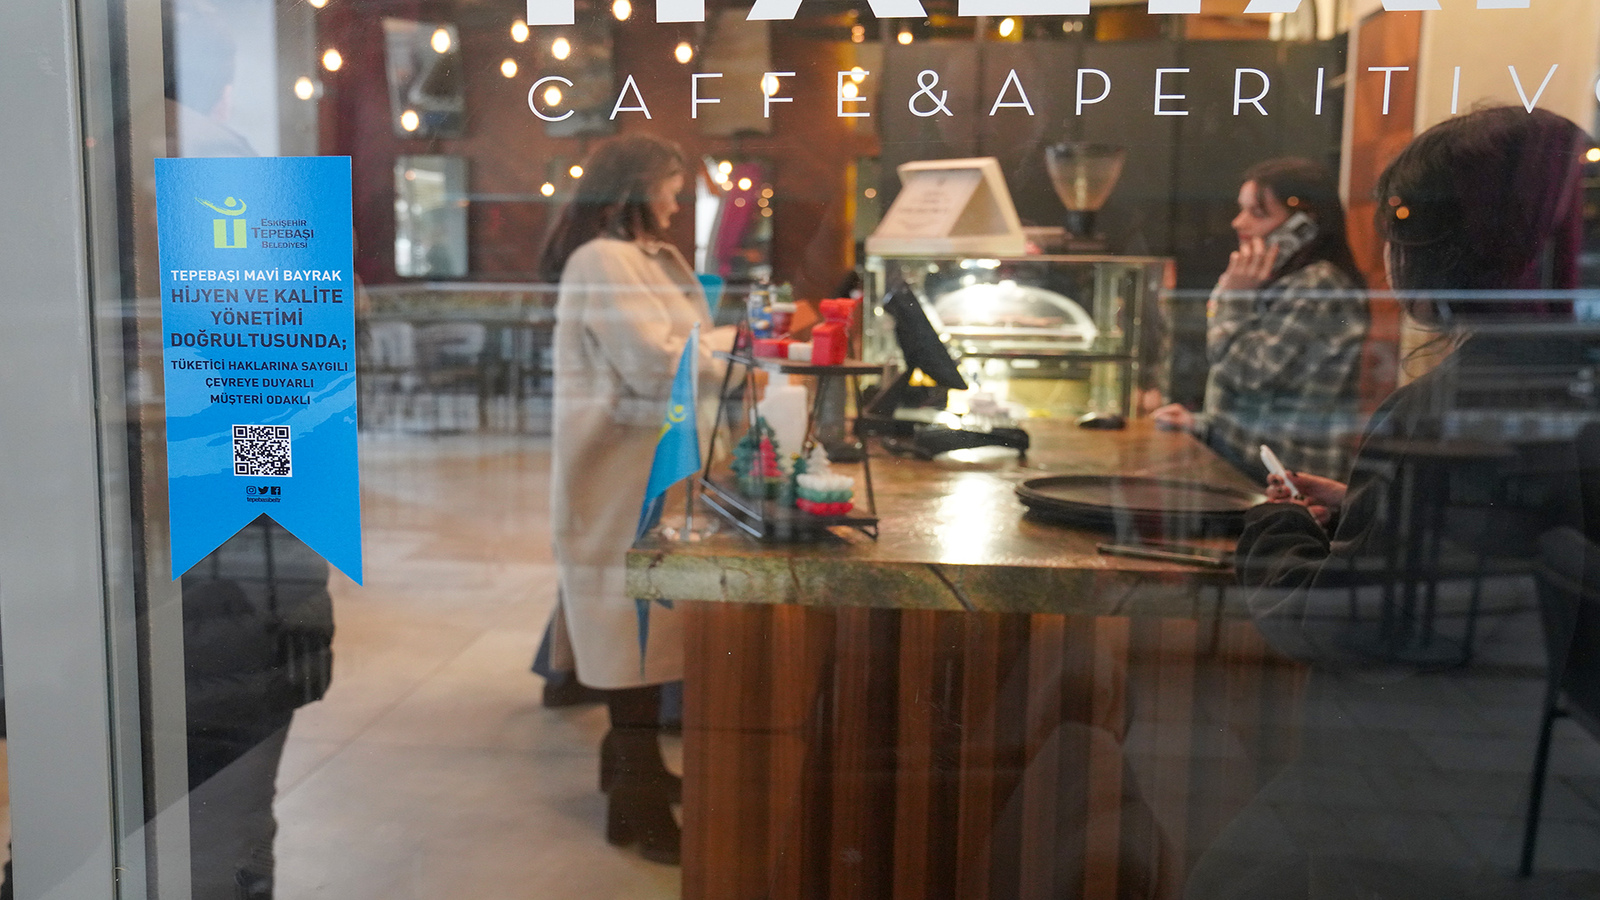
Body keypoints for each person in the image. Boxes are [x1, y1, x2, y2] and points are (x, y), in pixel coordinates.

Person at [1186, 108, 1594, 899]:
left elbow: (1349, 622)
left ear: (1433, 248)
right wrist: (1368, 509)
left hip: (1429, 796)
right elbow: (1500, 547)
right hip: (1540, 783)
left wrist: (1274, 527)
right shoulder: (1563, 378)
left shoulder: (1451, 409)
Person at [537, 133, 730, 865]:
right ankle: (636, 801)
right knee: (631, 633)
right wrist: (733, 351)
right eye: (672, 183)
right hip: (617, 476)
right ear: (640, 184)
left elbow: (667, 354)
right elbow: (652, 363)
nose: (678, 199)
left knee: (645, 632)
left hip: (647, 470)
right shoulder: (603, 260)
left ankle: (633, 770)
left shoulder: (634, 259)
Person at [1154, 159, 1368, 482]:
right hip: (1257, 469)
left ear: (1303, 226)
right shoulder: (1282, 283)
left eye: (1257, 213)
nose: (1238, 222)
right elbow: (1258, 405)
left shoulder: (1318, 285)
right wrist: (1200, 424)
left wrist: (1234, 298)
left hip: (1287, 482)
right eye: (1241, 209)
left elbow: (1251, 373)